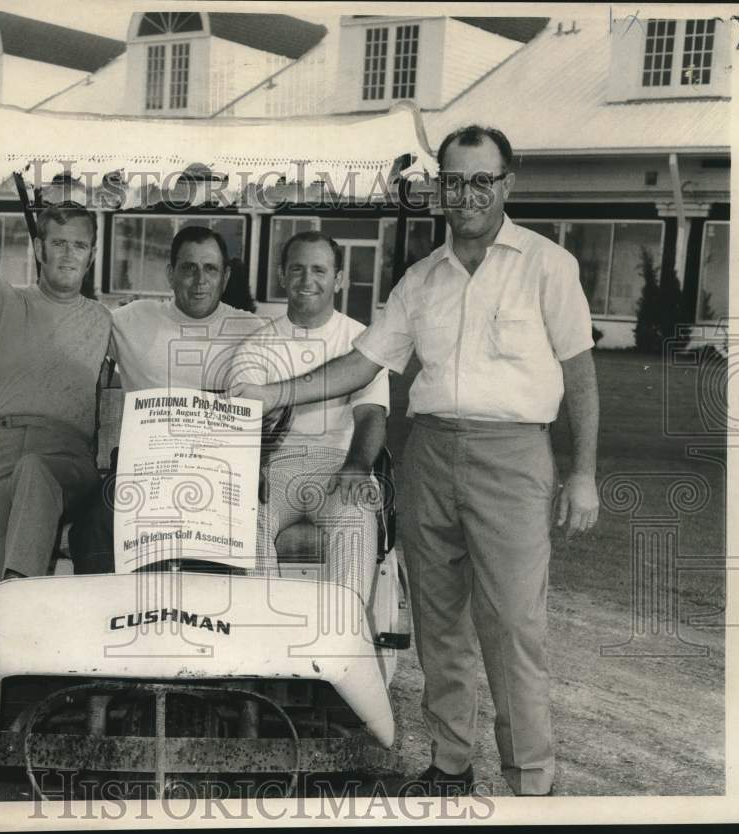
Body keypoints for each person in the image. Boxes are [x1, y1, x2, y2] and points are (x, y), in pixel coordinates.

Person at [230, 125, 600, 797]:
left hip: (514, 458)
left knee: (515, 627)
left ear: (507, 184)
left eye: (481, 180)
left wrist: (582, 474)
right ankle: (450, 766)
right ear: (439, 188)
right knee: (439, 623)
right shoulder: (421, 279)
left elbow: (581, 377)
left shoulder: (549, 265)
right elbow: (359, 365)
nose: (466, 194)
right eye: (454, 180)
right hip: (429, 453)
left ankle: (532, 783)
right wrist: (275, 393)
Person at [0, 166, 111, 802]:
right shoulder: (5, 304)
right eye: (57, 242)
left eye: (80, 245)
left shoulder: (107, 322)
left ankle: (22, 599)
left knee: (41, 480)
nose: (68, 255)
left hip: (69, 460)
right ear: (39, 248)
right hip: (0, 448)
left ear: (93, 255)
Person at [68, 226, 264, 568]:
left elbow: (282, 402)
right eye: (188, 268)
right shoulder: (134, 319)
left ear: (226, 275)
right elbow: (73, 332)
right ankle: (105, 615)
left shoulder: (252, 331)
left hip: (217, 476)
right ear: (171, 274)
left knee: (217, 542)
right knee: (93, 524)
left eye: (211, 269)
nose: (200, 280)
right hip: (141, 471)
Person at [232, 231, 389, 602]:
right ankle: (262, 639)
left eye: (319, 270)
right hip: (274, 467)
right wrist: (248, 466)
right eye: (297, 269)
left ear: (338, 279)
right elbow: (242, 419)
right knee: (243, 516)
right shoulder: (257, 345)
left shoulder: (361, 341)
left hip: (336, 464)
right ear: (282, 276)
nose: (307, 280)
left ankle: (342, 640)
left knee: (355, 511)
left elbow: (371, 416)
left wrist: (357, 465)